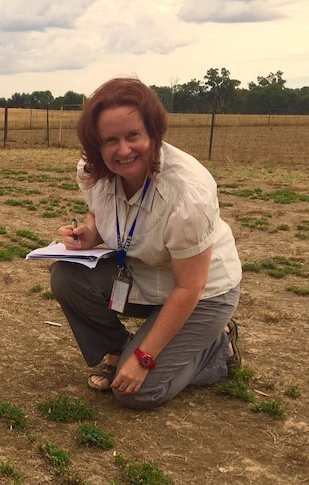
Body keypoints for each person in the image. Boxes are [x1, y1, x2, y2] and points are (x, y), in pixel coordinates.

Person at [49, 77, 243, 409]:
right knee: (67, 276)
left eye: (133, 136)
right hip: (143, 274)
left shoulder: (187, 193)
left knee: (136, 393)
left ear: (153, 133)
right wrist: (89, 233)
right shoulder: (93, 171)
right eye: (110, 140)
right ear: (97, 144)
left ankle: (217, 350)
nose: (122, 150)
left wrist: (144, 357)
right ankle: (117, 350)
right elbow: (100, 214)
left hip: (202, 294)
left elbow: (189, 288)